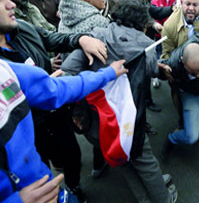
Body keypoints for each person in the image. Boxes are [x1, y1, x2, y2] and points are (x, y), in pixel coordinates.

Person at [61, 0, 178, 203]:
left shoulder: (95, 36)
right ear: (142, 24)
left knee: (122, 160)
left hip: (95, 123)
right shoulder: (146, 45)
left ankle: (144, 198)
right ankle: (163, 198)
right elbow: (151, 70)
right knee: (145, 161)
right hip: (127, 121)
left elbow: (68, 71)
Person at [0, 55, 128, 203]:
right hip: (29, 193)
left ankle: (74, 187)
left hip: (48, 189)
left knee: (72, 156)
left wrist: (107, 74)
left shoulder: (5, 71)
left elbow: (55, 89)